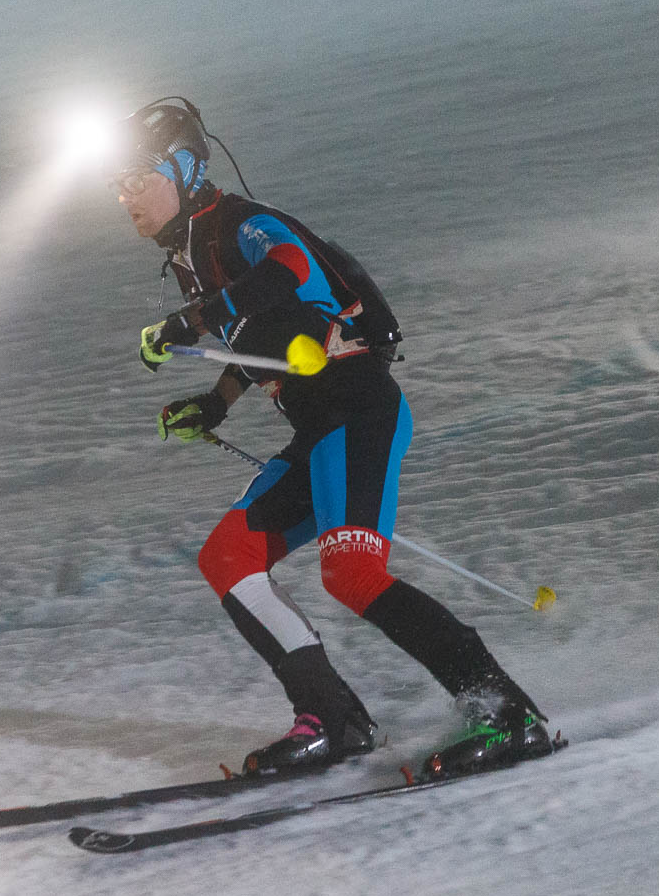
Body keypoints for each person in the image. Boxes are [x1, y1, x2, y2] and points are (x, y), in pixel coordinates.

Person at [111, 97, 554, 780]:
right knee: (228, 557)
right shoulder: (191, 257)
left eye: (137, 175)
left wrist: (191, 322)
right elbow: (259, 339)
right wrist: (217, 402)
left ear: (185, 167)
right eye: (116, 184)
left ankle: (510, 717)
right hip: (320, 429)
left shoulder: (241, 225)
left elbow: (290, 272)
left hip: (359, 410)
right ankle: (333, 720)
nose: (124, 194)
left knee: (352, 573)